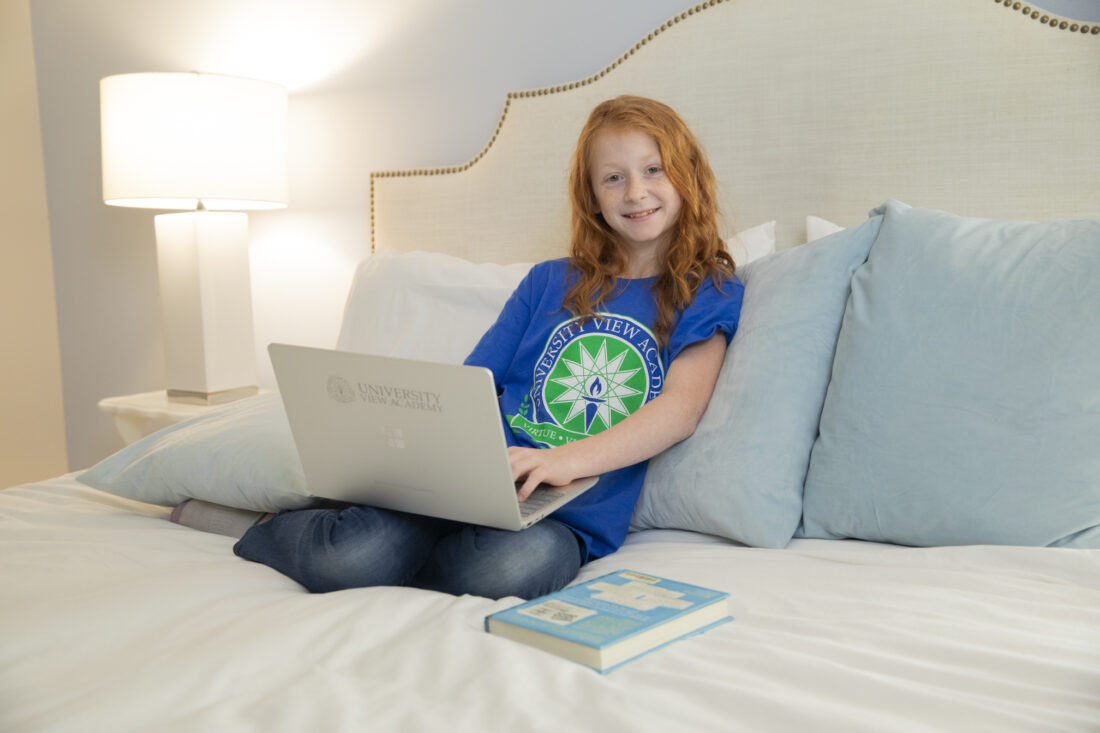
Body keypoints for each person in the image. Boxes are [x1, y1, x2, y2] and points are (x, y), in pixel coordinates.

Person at [232, 95, 744, 599]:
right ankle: (274, 526)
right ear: (591, 195)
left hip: (566, 515)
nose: (636, 191)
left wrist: (565, 460)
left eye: (654, 170)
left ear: (687, 176)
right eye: (614, 177)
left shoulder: (709, 291)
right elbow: (470, 385)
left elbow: (680, 409)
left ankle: (398, 557)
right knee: (349, 555)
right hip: (466, 487)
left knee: (508, 571)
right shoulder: (548, 282)